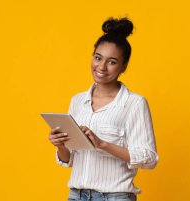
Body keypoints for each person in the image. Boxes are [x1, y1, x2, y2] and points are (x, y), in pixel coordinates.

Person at [48, 17, 158, 201]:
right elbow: (69, 160)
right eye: (98, 58)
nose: (101, 67)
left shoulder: (134, 103)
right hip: (76, 195)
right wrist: (60, 144)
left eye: (112, 61)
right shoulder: (78, 101)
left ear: (123, 66)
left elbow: (149, 159)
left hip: (114, 197)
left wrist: (102, 144)